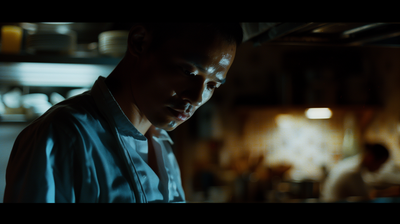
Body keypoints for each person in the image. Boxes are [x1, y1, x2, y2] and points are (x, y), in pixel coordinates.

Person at [3, 23, 243, 203]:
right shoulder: (61, 135)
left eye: (212, 85)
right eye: (187, 72)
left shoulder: (162, 143)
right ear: (139, 42)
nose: (197, 97)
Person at [320, 143, 390, 202]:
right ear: (371, 157)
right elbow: (366, 196)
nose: (379, 168)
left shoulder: (353, 164)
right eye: (380, 164)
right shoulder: (353, 171)